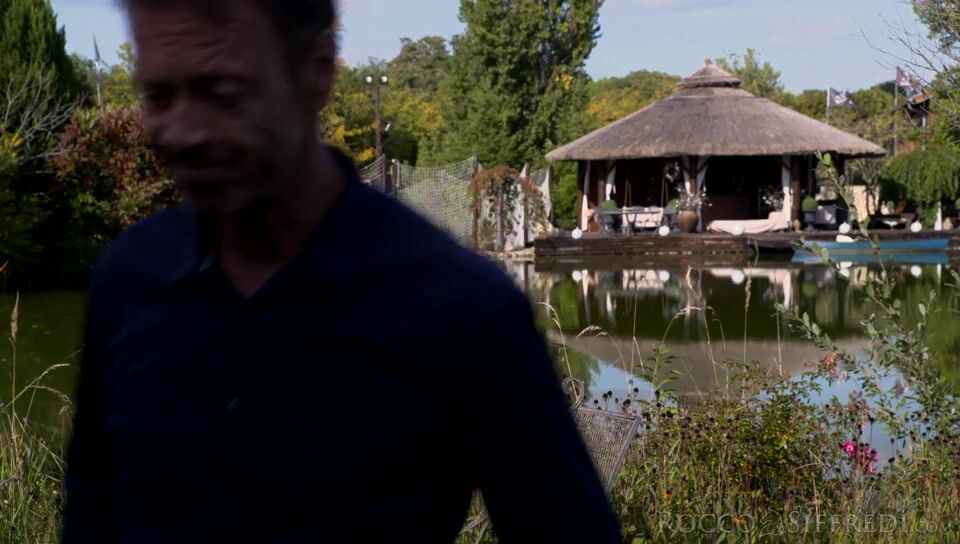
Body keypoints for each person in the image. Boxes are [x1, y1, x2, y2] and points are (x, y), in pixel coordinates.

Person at [62, 1, 622, 542]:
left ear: (318, 70)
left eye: (224, 93)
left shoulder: (462, 310)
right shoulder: (130, 278)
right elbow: (90, 514)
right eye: (158, 96)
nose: (181, 132)